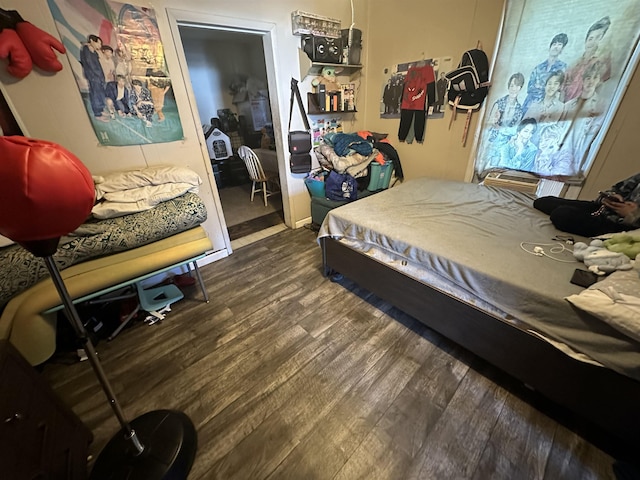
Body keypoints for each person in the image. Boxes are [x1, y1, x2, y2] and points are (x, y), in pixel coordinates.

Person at [534, 172, 640, 237]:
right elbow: (616, 189)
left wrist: (633, 215)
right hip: (603, 209)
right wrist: (608, 198)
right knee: (544, 202)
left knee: (562, 214)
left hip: (621, 226)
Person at [563, 16, 612, 102]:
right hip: (567, 106)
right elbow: (563, 86)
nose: (593, 42)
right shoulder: (574, 64)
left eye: (598, 38)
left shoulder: (601, 62)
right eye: (590, 38)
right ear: (586, 41)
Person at [522, 33, 568, 112]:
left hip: (548, 107)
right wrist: (546, 89)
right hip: (529, 105)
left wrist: (540, 87)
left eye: (559, 44)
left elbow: (561, 90)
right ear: (550, 47)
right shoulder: (538, 68)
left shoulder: (563, 68)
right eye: (554, 44)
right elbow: (530, 88)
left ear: (562, 49)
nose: (556, 47)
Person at [80, 34, 108, 121]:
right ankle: (97, 114)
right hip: (93, 76)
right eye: (98, 44)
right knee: (95, 93)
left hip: (97, 76)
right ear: (92, 41)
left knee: (99, 93)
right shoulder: (86, 49)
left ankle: (101, 109)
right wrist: (99, 75)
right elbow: (91, 64)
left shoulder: (93, 51)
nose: (99, 46)